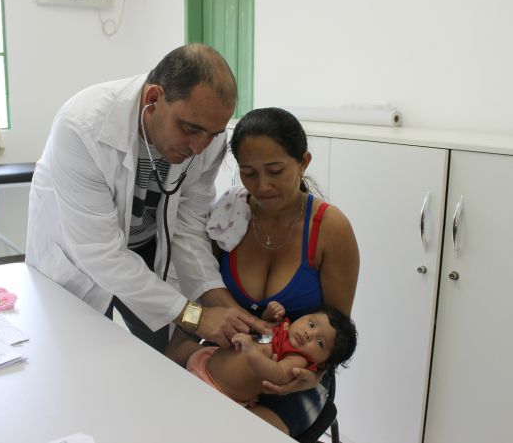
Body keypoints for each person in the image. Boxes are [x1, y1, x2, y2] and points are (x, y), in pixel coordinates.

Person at [26, 44, 270, 353]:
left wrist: (215, 296)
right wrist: (194, 316)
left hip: (147, 249)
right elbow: (101, 254)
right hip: (77, 260)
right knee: (76, 360)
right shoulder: (82, 127)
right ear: (153, 99)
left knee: (162, 359)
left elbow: (188, 223)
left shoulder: (209, 136)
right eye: (190, 129)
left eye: (212, 133)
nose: (199, 147)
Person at [166, 106, 359, 435]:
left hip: (293, 376)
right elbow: (198, 292)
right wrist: (172, 356)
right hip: (225, 358)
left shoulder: (330, 230)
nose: (263, 185)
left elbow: (336, 333)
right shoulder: (229, 216)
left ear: (303, 163)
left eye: (275, 170)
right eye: (249, 172)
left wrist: (310, 375)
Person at [185, 301, 357, 407]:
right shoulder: (283, 327)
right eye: (311, 324)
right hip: (208, 357)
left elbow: (278, 374)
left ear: (321, 364)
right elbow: (260, 329)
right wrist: (268, 315)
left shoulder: (297, 360)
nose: (308, 334)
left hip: (221, 391)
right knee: (183, 349)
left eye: (320, 342)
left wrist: (252, 353)